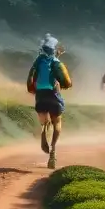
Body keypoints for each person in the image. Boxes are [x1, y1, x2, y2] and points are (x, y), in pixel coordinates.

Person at [26, 34, 72, 169]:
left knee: (43, 122)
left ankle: (42, 136)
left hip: (40, 95)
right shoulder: (57, 62)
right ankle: (53, 150)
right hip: (54, 95)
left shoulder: (38, 61)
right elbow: (67, 82)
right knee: (57, 122)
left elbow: (32, 76)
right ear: (54, 50)